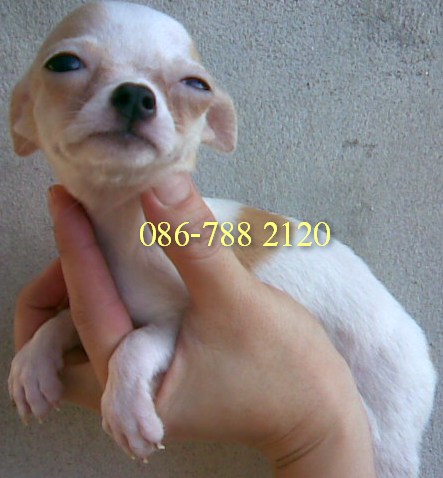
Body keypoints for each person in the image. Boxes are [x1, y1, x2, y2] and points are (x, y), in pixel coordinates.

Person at [14, 173, 377, 477]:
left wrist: (313, 433)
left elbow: (177, 321)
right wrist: (49, 341)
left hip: (377, 364)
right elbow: (157, 317)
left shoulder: (174, 237)